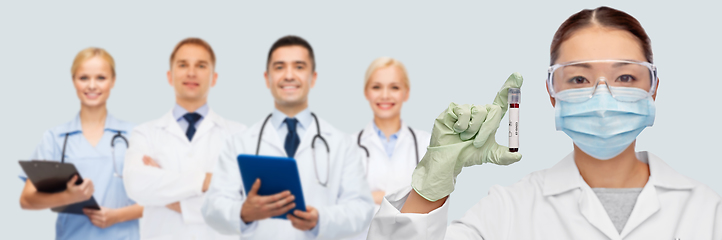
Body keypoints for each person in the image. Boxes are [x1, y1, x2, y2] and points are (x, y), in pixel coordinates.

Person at [367, 6, 722, 239]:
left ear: (653, 89)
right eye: (579, 79)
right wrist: (428, 190)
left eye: (625, 78)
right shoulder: (506, 211)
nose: (602, 98)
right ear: (552, 93)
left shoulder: (707, 212)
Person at [202, 35, 374, 239]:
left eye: (299, 67)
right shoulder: (238, 143)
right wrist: (243, 213)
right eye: (279, 67)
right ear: (267, 78)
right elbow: (212, 208)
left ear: (313, 78)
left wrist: (321, 220)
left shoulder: (341, 144)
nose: (289, 75)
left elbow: (362, 210)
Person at [123, 38, 246, 240]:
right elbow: (135, 184)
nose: (191, 72)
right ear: (170, 76)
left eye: (201, 65)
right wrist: (206, 180)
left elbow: (239, 202)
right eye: (183, 65)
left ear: (214, 78)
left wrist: (168, 198)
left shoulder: (238, 134)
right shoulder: (145, 133)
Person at [19, 47, 142, 240]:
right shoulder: (55, 138)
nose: (92, 86)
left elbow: (160, 200)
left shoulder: (135, 135)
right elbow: (26, 200)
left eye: (101, 78)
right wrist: (67, 197)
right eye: (83, 78)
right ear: (73, 81)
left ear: (113, 81)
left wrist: (116, 216)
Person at [349, 57, 431, 240]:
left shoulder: (426, 144)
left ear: (406, 93)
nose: (385, 95)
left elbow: (432, 201)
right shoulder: (348, 146)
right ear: (366, 92)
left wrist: (374, 196)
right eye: (376, 87)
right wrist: (407, 196)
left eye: (394, 87)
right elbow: (344, 206)